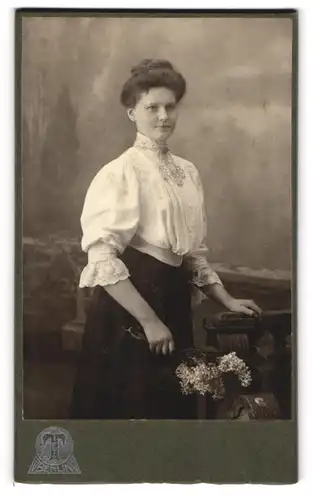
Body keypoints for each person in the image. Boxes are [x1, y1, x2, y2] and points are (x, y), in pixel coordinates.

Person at [69, 59, 262, 420]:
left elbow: (192, 256)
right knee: (132, 405)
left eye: (170, 107)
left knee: (172, 407)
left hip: (173, 298)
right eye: (151, 108)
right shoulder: (120, 172)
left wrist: (227, 299)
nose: (162, 117)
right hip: (130, 301)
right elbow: (102, 257)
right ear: (131, 113)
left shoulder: (187, 171)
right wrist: (148, 320)